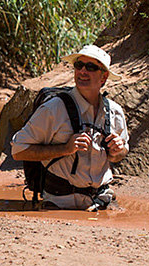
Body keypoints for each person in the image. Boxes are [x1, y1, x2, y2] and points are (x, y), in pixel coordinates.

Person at [11, 45, 129, 210]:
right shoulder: (54, 108)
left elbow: (119, 156)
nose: (82, 71)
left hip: (102, 199)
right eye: (78, 65)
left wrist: (117, 151)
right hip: (60, 202)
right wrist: (65, 149)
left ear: (104, 77)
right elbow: (18, 151)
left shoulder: (115, 112)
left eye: (91, 67)